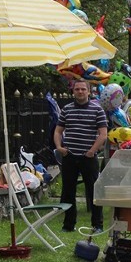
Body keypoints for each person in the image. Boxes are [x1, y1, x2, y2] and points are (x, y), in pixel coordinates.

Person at [53, 80, 108, 233]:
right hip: (69, 155)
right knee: (68, 191)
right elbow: (58, 131)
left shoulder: (97, 110)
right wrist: (59, 147)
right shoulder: (67, 109)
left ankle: (97, 225)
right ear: (73, 92)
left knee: (93, 191)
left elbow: (103, 134)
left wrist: (92, 151)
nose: (80, 92)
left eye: (83, 89)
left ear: (89, 92)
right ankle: (68, 224)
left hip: (88, 157)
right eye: (77, 89)